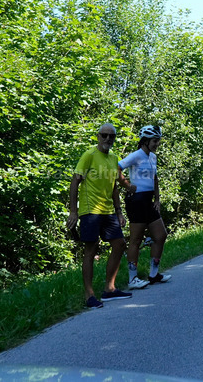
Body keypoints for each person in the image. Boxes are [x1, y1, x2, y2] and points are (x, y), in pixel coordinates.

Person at [67, 123, 133, 308]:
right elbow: (75, 183)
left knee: (119, 245)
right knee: (91, 250)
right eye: (104, 135)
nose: (107, 139)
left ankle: (110, 289)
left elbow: (113, 186)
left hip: (108, 210)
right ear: (98, 136)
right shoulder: (89, 155)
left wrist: (119, 211)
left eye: (111, 136)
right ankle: (89, 296)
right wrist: (73, 211)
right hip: (90, 210)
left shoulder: (113, 158)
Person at [118, 125, 171, 287]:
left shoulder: (152, 157)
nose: (157, 144)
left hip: (148, 200)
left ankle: (153, 275)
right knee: (135, 240)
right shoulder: (136, 155)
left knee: (160, 235)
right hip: (137, 200)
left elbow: (154, 178)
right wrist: (127, 186)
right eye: (155, 141)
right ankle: (132, 279)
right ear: (145, 141)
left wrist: (157, 198)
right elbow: (117, 168)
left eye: (158, 141)